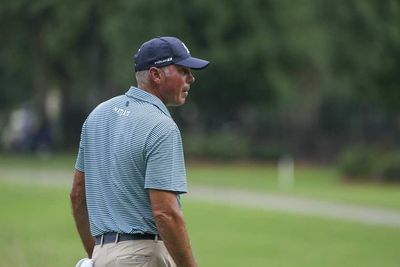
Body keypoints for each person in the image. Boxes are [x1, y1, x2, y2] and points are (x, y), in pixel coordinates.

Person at [70, 36, 209, 267]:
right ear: (156, 75)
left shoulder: (96, 116)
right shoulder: (161, 127)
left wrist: (98, 254)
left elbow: (77, 196)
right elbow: (165, 214)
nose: (191, 78)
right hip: (143, 257)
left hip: (101, 258)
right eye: (183, 70)